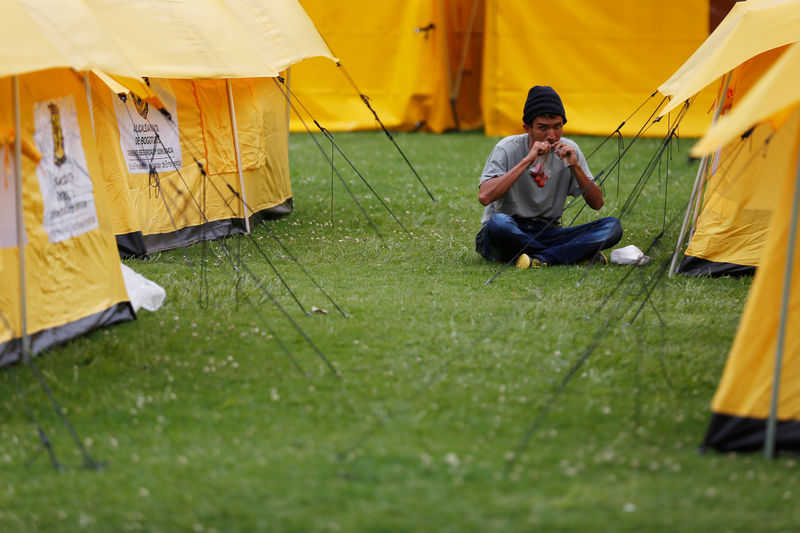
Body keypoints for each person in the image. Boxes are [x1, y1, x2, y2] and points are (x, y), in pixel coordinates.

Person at [475, 85, 622, 268]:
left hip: (548, 231)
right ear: (527, 128)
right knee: (498, 224)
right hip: (509, 230)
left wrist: (575, 167)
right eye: (542, 128)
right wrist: (527, 160)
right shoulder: (506, 148)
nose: (551, 136)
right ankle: (570, 253)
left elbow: (597, 203)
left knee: (612, 227)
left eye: (557, 127)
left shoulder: (570, 150)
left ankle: (541, 258)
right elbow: (484, 196)